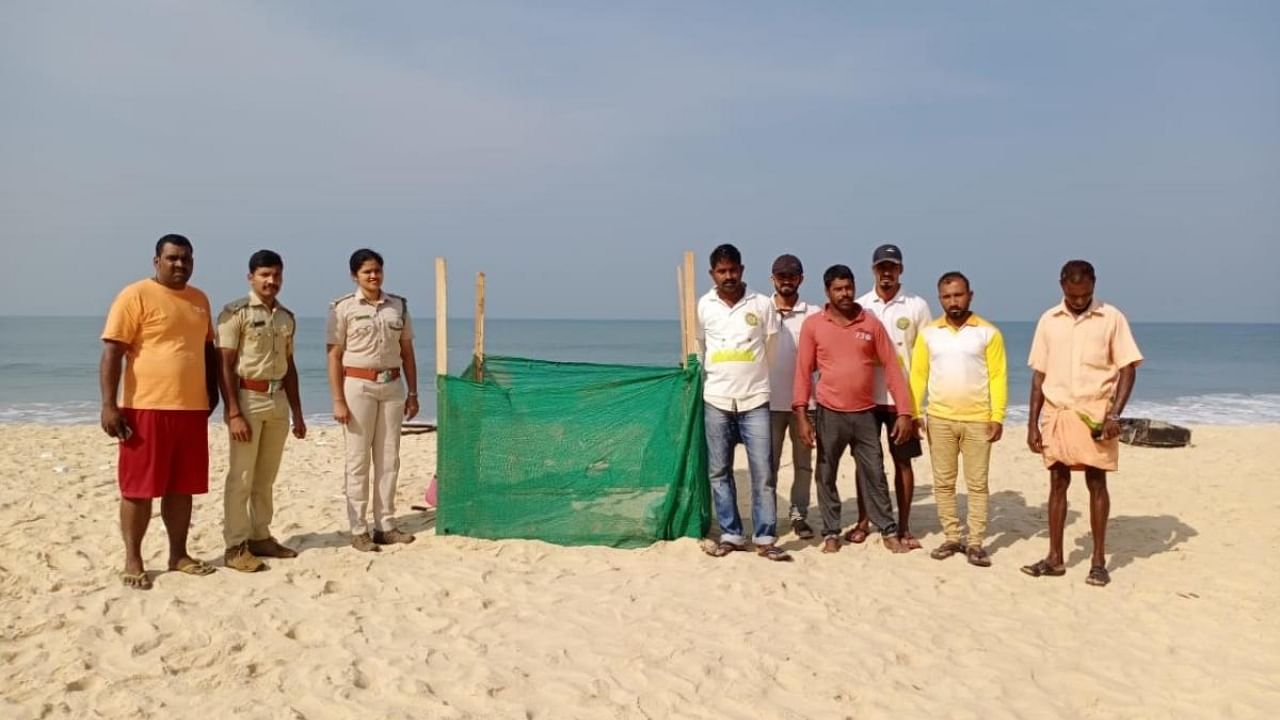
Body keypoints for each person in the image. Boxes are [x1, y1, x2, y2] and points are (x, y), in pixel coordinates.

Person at [99, 234, 219, 589]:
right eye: (172, 258)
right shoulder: (134, 294)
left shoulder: (200, 299)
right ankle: (133, 557)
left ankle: (178, 554)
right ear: (157, 261)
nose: (180, 264)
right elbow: (112, 353)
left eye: (186, 259)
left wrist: (212, 394)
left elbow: (207, 350)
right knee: (138, 488)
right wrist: (109, 405)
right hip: (145, 408)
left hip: (191, 409)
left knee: (183, 487)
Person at [1022, 260, 1142, 587]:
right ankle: (1055, 558)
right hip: (1057, 412)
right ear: (1062, 285)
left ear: (1094, 285)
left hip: (1096, 414)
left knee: (1096, 483)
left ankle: (1099, 561)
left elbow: (1128, 368)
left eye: (1085, 294)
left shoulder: (1111, 318)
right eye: (1073, 294)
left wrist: (1114, 414)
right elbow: (1039, 376)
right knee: (1057, 483)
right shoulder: (1049, 320)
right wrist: (1032, 424)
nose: (1078, 300)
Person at [794, 265, 914, 554]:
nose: (845, 293)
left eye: (848, 287)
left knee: (875, 472)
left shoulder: (870, 323)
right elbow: (802, 371)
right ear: (827, 292)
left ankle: (887, 530)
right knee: (826, 474)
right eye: (838, 289)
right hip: (829, 412)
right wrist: (801, 414)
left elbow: (892, 368)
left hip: (865, 413)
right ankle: (831, 532)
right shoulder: (814, 324)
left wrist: (904, 412)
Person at [696, 244, 790, 561]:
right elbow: (701, 346)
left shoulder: (762, 305)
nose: (728, 276)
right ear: (712, 274)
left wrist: (755, 379)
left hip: (755, 399)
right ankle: (731, 534)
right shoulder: (704, 305)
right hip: (717, 399)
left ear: (742, 270)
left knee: (763, 472)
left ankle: (765, 537)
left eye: (733, 270)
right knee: (719, 471)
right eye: (722, 271)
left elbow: (772, 348)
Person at [216, 250, 307, 572]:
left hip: (277, 399)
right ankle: (235, 545)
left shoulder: (286, 317)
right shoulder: (235, 313)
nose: (271, 281)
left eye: (277, 275)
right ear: (251, 277)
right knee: (241, 476)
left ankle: (260, 535)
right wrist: (233, 413)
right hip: (248, 399)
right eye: (265, 275)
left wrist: (297, 411)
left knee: (265, 477)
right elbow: (224, 365)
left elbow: (290, 365)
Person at [909, 272, 1007, 567]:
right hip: (939, 418)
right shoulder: (928, 333)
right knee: (944, 482)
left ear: (970, 295)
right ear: (940, 299)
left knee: (977, 484)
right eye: (947, 296)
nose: (954, 301)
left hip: (978, 419)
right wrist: (915, 412)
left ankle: (975, 542)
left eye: (959, 295)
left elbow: (998, 377)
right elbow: (919, 376)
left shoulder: (988, 332)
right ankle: (952, 536)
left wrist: (998, 416)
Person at [326, 248, 420, 552]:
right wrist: (338, 399)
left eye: (377, 270)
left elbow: (407, 352)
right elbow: (334, 355)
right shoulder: (343, 308)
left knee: (389, 459)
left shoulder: (399, 307)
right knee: (358, 459)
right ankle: (358, 529)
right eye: (367, 271)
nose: (373, 276)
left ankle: (386, 525)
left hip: (392, 387)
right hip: (358, 387)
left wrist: (413, 392)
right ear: (355, 275)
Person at [850, 243, 932, 550]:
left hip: (902, 400)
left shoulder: (917, 306)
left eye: (892, 267)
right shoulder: (861, 306)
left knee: (903, 463)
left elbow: (925, 358)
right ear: (873, 270)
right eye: (881, 267)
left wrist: (917, 408)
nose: (887, 273)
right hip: (866, 397)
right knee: (865, 464)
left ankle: (905, 524)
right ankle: (862, 520)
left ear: (901, 270)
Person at [766, 254, 820, 540]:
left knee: (803, 465)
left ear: (801, 278)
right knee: (768, 466)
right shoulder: (761, 309)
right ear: (772, 278)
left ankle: (799, 515)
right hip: (768, 402)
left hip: (805, 405)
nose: (786, 280)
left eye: (792, 275)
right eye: (781, 275)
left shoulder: (814, 313)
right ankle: (768, 518)